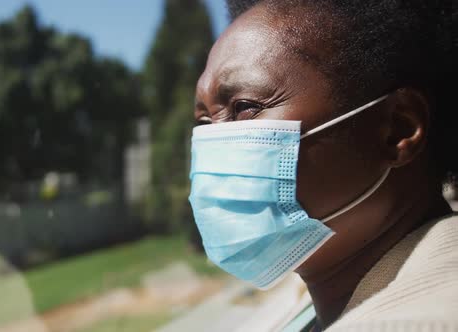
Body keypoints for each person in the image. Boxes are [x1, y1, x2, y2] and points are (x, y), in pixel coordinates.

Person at [188, 0, 456, 330]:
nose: (215, 145)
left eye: (244, 108)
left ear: (397, 129)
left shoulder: (419, 320)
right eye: (203, 122)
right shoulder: (312, 303)